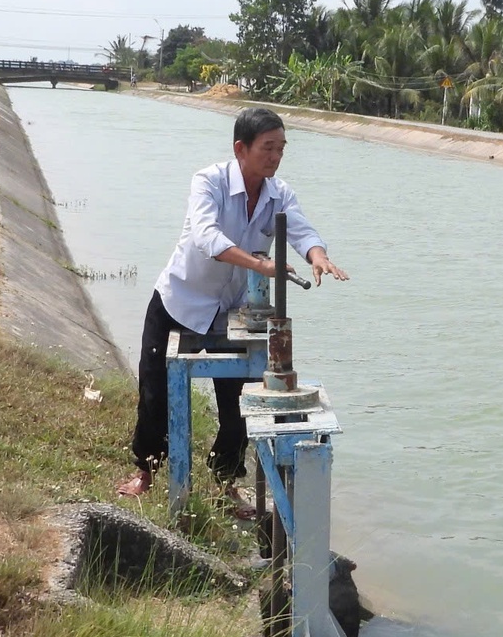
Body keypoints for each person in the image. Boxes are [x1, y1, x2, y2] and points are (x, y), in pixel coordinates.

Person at [118, 106, 348, 510]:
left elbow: (300, 228)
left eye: (281, 148)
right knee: (154, 392)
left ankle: (225, 482)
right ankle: (147, 470)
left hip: (232, 311)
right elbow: (207, 237)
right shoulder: (209, 182)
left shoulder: (280, 193)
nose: (275, 157)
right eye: (267, 148)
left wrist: (317, 254)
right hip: (179, 299)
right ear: (240, 149)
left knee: (239, 401)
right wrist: (261, 265)